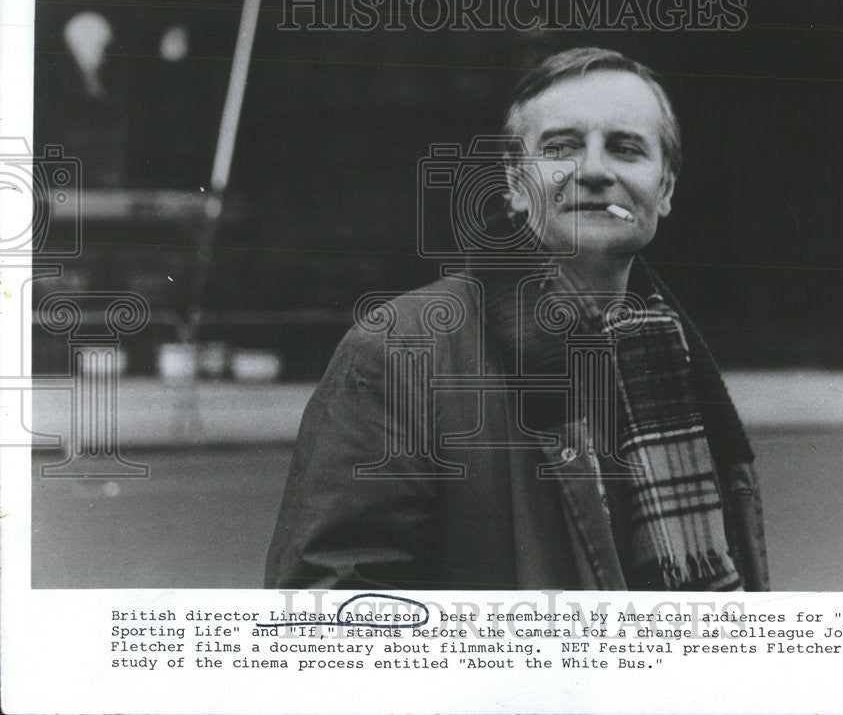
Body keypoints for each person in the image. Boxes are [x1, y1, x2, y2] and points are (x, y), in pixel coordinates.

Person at [265, 47, 769, 591]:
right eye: (561, 147)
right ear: (513, 182)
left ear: (664, 188)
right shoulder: (402, 349)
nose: (595, 171)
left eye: (625, 149)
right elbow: (328, 611)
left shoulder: (673, 355)